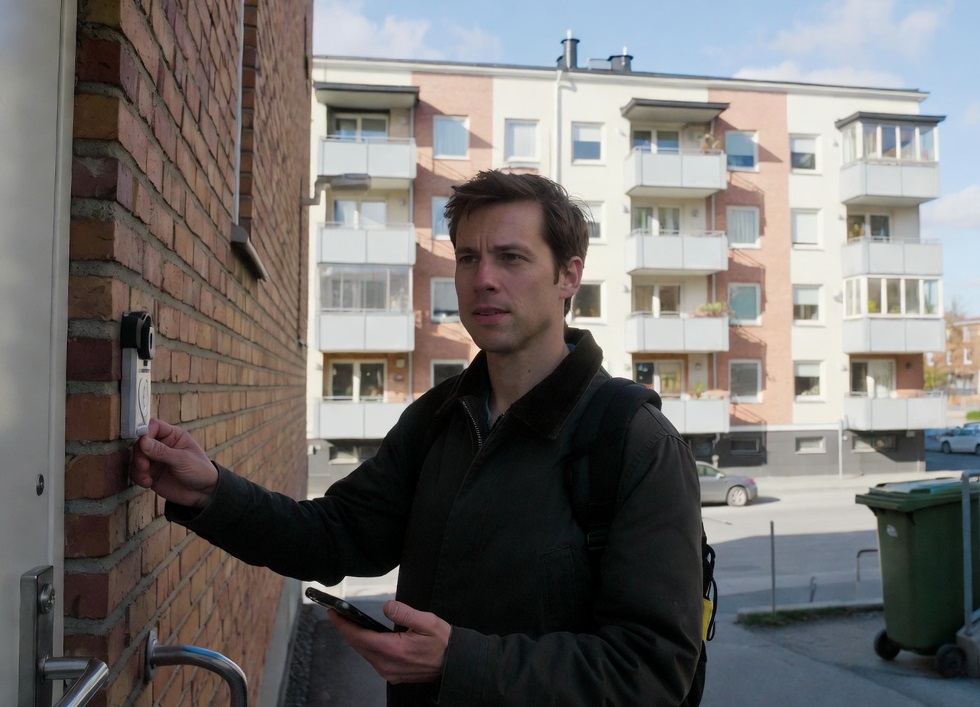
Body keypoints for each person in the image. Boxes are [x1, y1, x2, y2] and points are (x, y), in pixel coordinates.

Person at [130, 169, 704, 705]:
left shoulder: (635, 441)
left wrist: (458, 661)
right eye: (468, 258)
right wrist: (211, 492)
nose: (483, 279)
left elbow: (652, 670)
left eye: (511, 257)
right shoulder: (440, 417)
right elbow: (335, 534)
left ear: (568, 276)